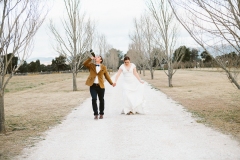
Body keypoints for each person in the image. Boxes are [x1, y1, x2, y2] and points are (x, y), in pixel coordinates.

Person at [83, 54, 115, 120]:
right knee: (94, 99)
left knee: (101, 100)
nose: (96, 57)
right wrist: (90, 58)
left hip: (101, 86)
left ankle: (101, 113)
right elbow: (84, 63)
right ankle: (96, 114)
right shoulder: (91, 65)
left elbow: (107, 76)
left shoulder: (104, 67)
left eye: (98, 57)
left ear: (100, 60)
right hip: (93, 86)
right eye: (96, 57)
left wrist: (111, 83)